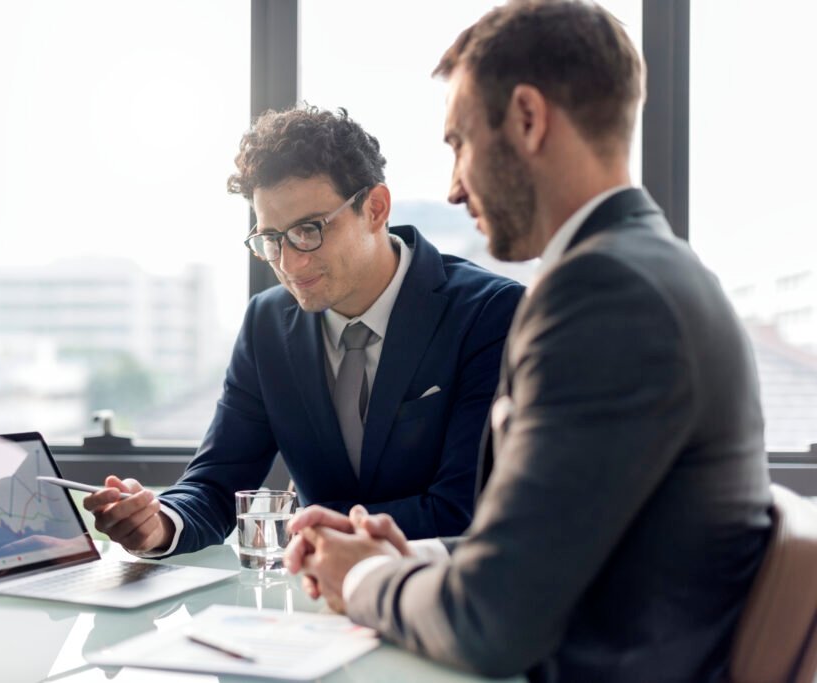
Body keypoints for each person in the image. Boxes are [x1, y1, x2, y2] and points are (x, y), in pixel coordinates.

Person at [284, 2, 773, 681]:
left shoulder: (605, 295)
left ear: (527, 118)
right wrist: (418, 557)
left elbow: (494, 621)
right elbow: (560, 545)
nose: (453, 188)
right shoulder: (649, 269)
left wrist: (363, 577)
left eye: (458, 142)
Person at [83, 106, 524, 557]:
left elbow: (465, 510)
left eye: (309, 230)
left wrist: (310, 534)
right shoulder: (266, 324)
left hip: (440, 598)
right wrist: (158, 523)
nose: (290, 264)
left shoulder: (490, 314)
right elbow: (216, 482)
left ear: (374, 208)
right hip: (311, 604)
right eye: (271, 239)